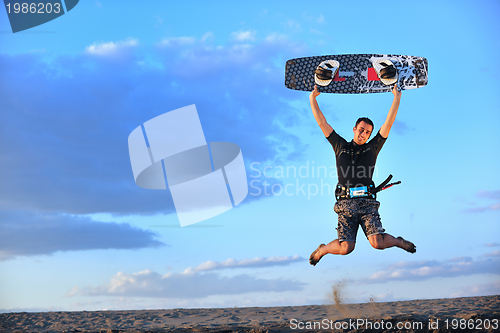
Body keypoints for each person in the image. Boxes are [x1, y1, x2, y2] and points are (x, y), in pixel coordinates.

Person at [309, 84, 416, 266]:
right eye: (361, 129)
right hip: (345, 203)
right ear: (354, 129)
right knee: (346, 248)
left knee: (377, 243)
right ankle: (323, 249)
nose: (363, 134)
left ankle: (398, 241)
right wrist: (313, 99)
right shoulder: (340, 146)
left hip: (367, 202)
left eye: (367, 132)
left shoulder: (372, 148)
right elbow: (322, 123)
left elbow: (388, 123)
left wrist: (397, 97)